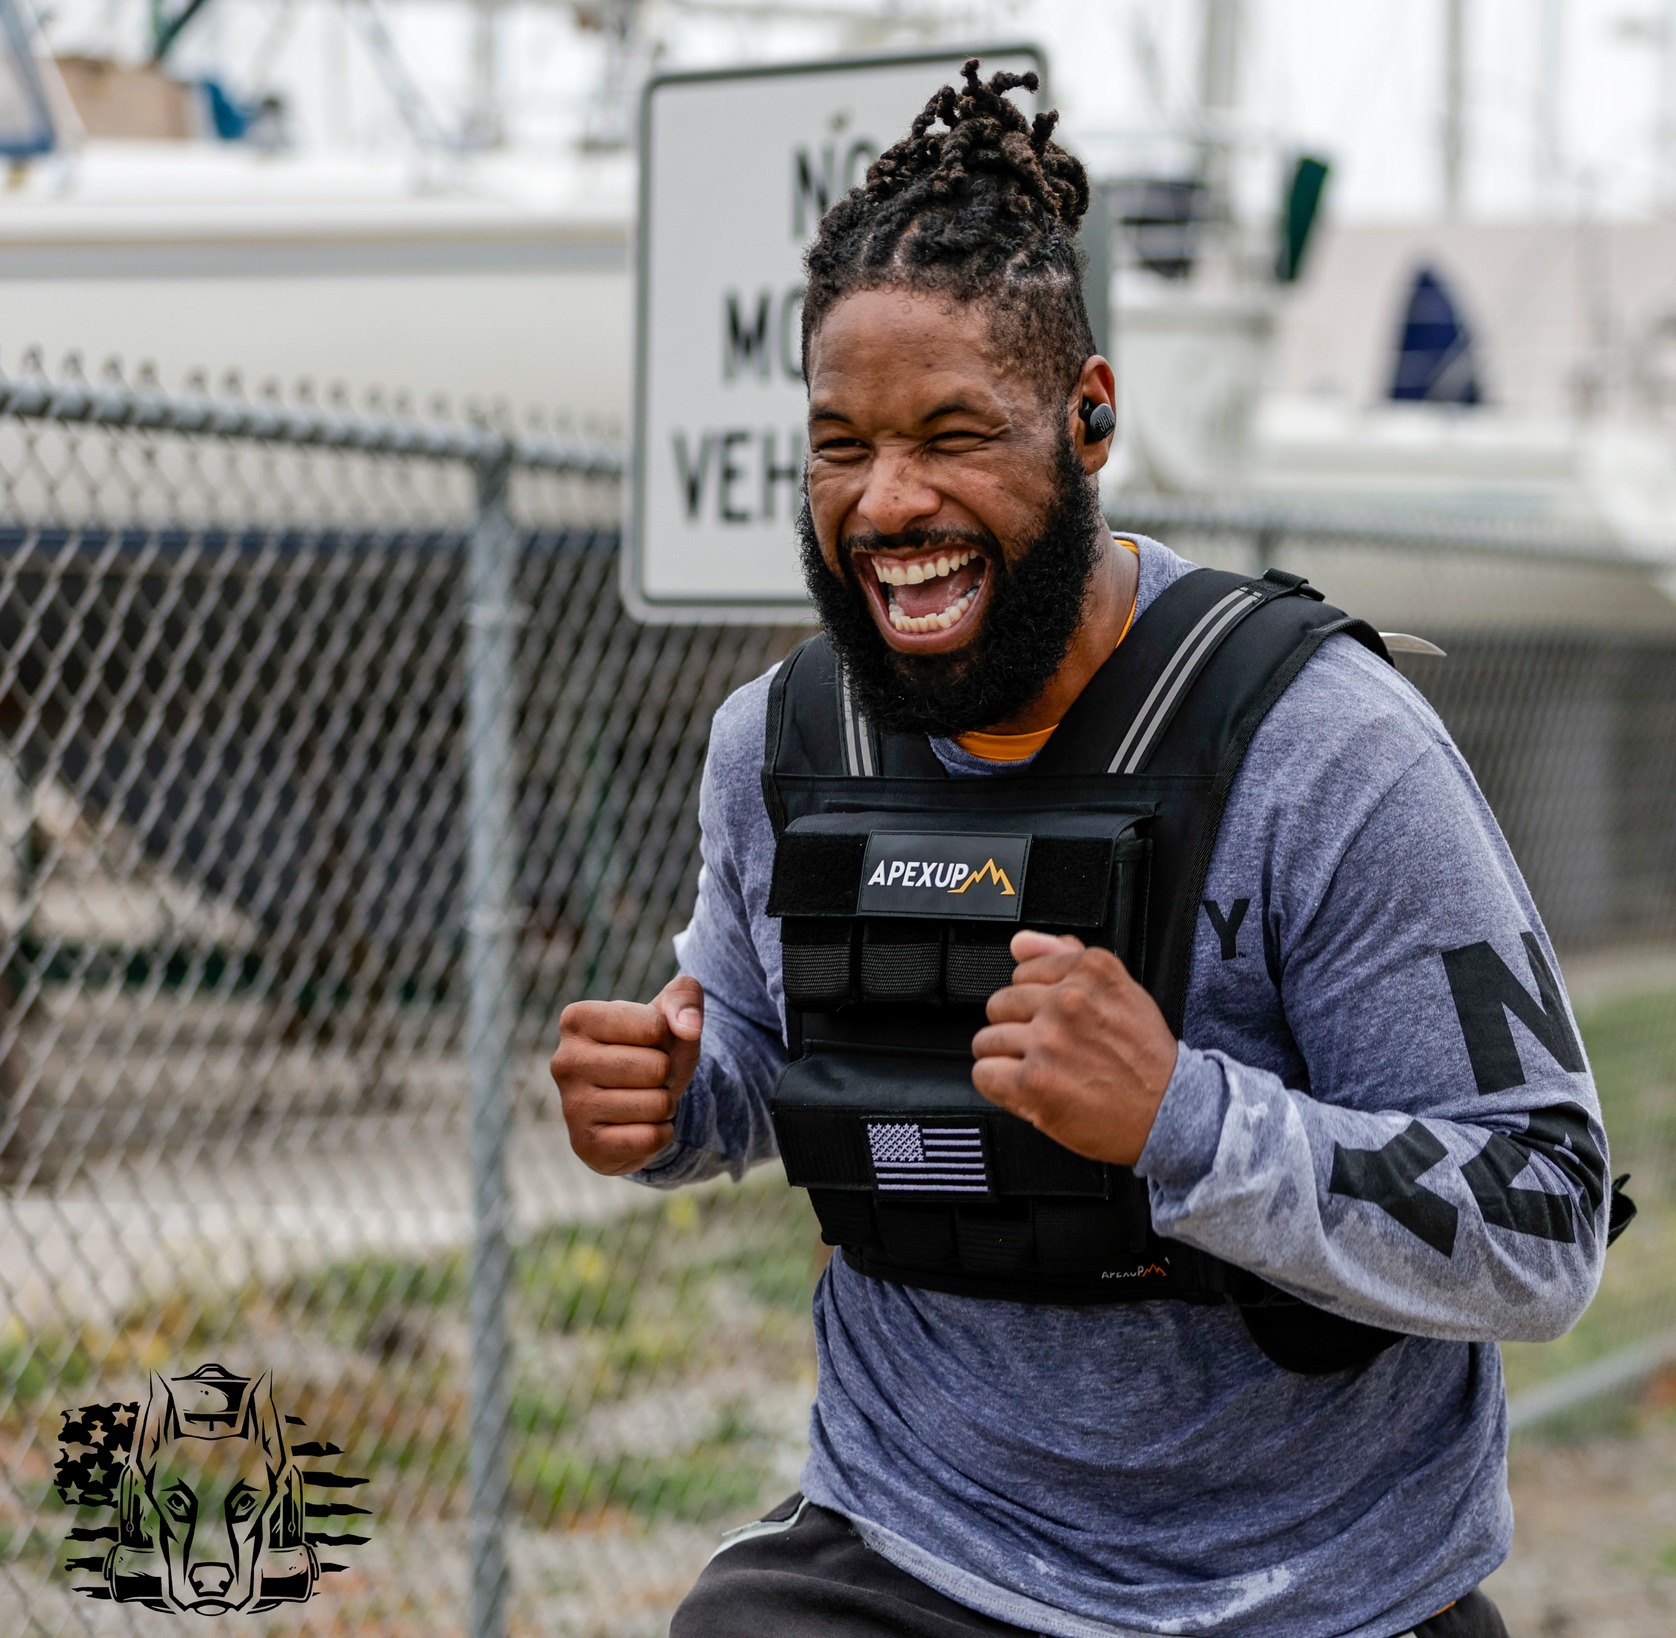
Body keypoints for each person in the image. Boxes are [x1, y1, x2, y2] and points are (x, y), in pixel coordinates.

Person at [551, 61, 1616, 1638]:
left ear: (1091, 416)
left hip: (1312, 1592)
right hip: (922, 1538)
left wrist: (1179, 1116)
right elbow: (771, 1066)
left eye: (952, 433)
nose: (887, 501)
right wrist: (666, 1100)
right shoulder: (778, 746)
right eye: (841, 444)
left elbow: (1545, 1217)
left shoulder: (1326, 748)